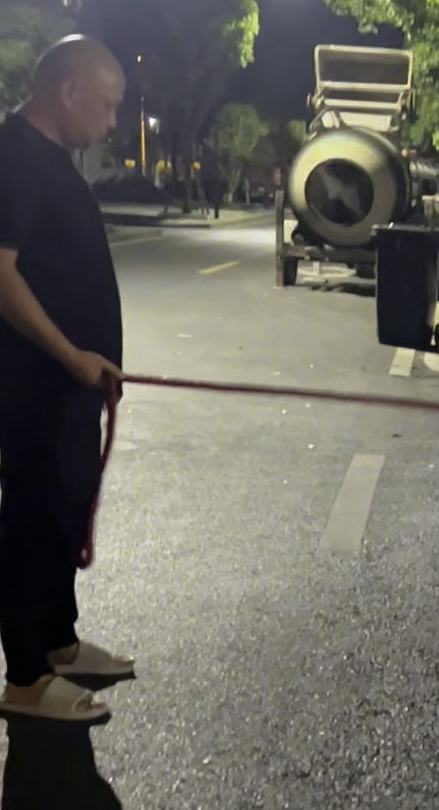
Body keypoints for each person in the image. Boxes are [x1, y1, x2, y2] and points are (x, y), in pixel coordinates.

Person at [0, 35, 134, 721]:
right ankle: (24, 678)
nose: (111, 123)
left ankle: (56, 645)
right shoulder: (17, 156)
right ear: (69, 91)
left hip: (70, 387)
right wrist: (70, 355)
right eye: (107, 106)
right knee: (30, 519)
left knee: (60, 513)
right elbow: (1, 275)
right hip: (33, 386)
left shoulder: (49, 157)